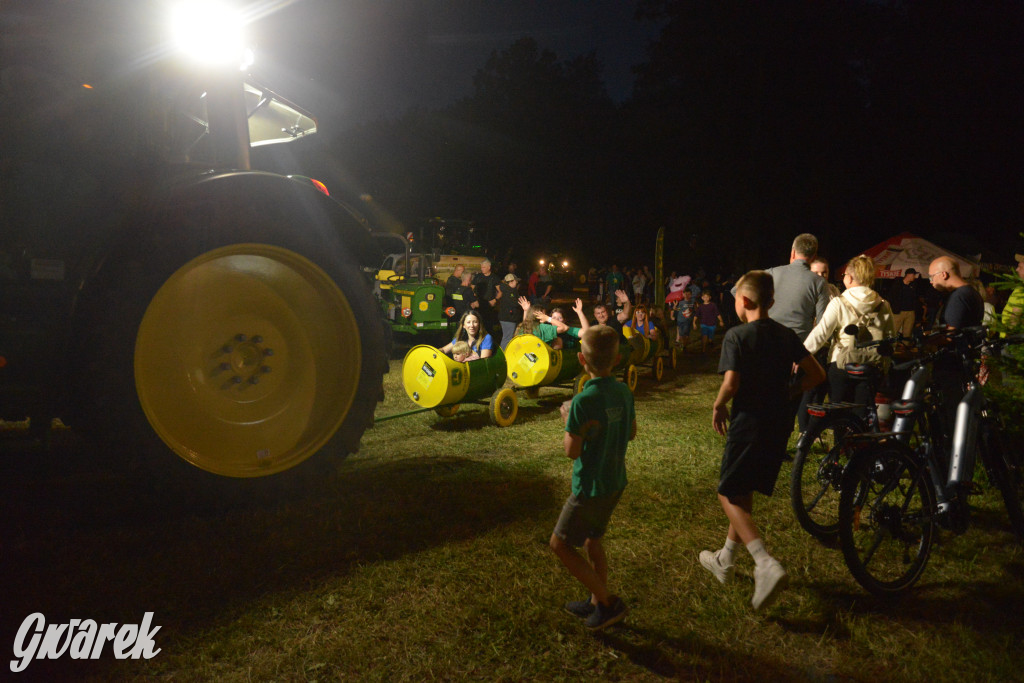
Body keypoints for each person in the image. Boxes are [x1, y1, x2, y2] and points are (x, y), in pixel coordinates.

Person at [701, 271, 825, 611]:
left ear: (744, 301)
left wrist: (718, 404)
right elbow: (816, 374)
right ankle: (725, 560)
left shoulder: (737, 335)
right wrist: (790, 392)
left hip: (748, 423)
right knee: (744, 489)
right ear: (770, 302)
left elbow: (731, 382)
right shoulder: (785, 335)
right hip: (778, 423)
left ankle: (763, 561)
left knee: (727, 492)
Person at [551, 324, 636, 630]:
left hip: (589, 486)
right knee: (592, 541)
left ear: (582, 360)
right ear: (615, 360)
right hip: (615, 481)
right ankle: (594, 601)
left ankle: (607, 602)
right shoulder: (624, 391)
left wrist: (568, 420)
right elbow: (632, 433)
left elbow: (571, 452)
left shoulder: (583, 401)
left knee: (559, 544)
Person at [803, 255, 895, 418]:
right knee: (861, 414)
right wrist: (885, 366)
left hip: (841, 363)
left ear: (850, 277)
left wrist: (801, 355)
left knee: (838, 414)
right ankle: (859, 442)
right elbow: (889, 337)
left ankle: (841, 441)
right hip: (871, 364)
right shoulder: (883, 304)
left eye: (845, 275)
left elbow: (821, 333)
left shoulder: (839, 302)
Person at [754, 233, 829, 432]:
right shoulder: (819, 283)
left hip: (764, 344)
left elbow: (738, 291)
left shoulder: (770, 273)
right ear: (813, 257)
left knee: (762, 395)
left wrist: (755, 320)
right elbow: (822, 324)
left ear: (793, 253)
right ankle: (779, 445)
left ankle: (760, 439)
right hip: (796, 351)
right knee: (788, 401)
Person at [888, 268, 921, 339]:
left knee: (907, 332)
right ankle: (892, 347)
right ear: (908, 275)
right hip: (899, 312)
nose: (914, 277)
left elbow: (916, 299)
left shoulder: (913, 285)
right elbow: (891, 298)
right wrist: (894, 309)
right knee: (894, 331)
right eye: (913, 275)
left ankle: (905, 347)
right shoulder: (897, 285)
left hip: (910, 312)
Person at [472, 259, 501, 337]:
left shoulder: (494, 278)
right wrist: (473, 300)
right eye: (481, 267)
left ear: (489, 267)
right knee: (478, 325)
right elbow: (471, 289)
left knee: (488, 326)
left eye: (484, 267)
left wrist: (495, 300)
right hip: (479, 305)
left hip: (489, 306)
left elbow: (500, 292)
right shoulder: (477, 277)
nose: (482, 269)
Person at [1000, 252, 1024, 335]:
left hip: (1012, 342)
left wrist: (1008, 338)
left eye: (1020, 267)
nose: (1016, 269)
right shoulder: (1020, 287)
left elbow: (1015, 319)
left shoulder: (1022, 291)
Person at [497, 272, 523, 350]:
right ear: (511, 282)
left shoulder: (509, 290)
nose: (517, 282)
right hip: (508, 318)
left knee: (508, 337)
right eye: (516, 281)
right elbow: (514, 303)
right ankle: (503, 355)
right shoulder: (509, 291)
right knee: (507, 338)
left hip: (509, 317)